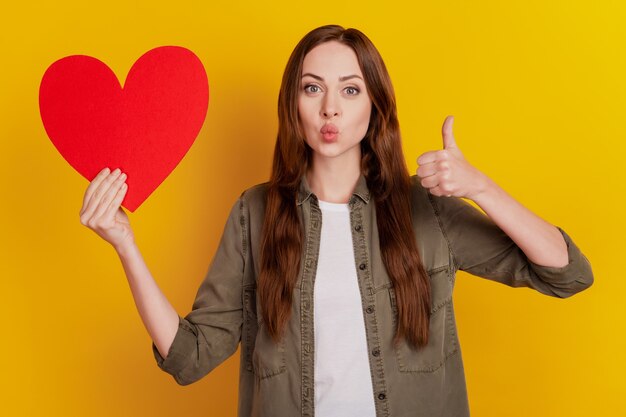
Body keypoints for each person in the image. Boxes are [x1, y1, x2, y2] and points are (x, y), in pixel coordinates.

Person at [79, 25, 594, 417]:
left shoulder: (426, 209)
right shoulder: (253, 214)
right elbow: (190, 359)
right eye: (312, 88)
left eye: (349, 90)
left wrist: (480, 187)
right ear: (293, 104)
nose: (330, 108)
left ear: (374, 104)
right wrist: (125, 244)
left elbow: (566, 272)